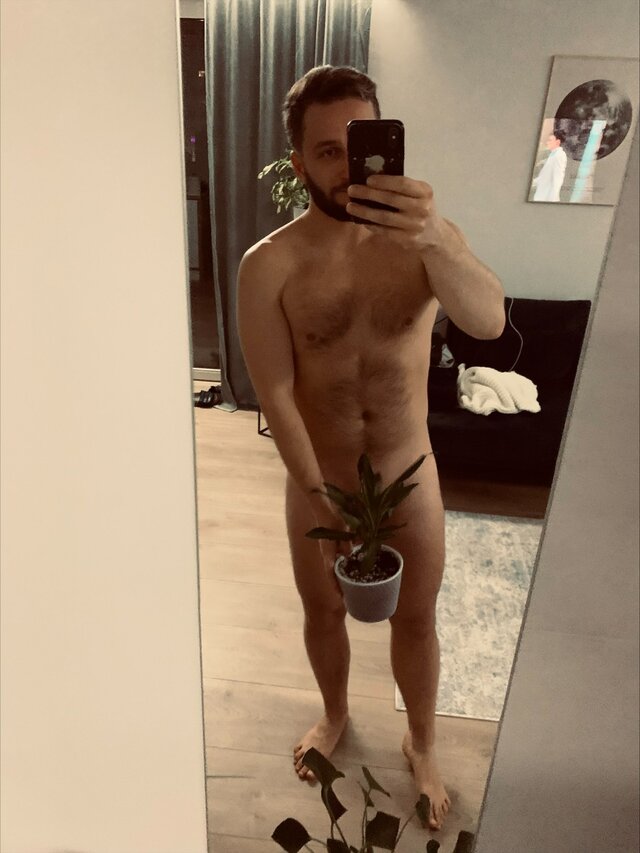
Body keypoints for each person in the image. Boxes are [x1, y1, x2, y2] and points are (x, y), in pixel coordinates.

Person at [237, 65, 505, 832]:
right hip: (316, 476)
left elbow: (488, 321)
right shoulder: (269, 265)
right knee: (322, 609)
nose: (347, 166)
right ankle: (334, 715)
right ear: (299, 164)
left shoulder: (425, 243)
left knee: (415, 619)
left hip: (407, 473)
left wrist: (436, 236)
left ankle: (422, 743)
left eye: (358, 144)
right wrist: (319, 499)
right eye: (327, 151)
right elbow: (275, 394)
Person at [532, 128, 568, 202]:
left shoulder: (559, 155)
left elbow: (558, 179)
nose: (547, 142)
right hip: (541, 196)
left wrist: (552, 200)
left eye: (550, 140)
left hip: (547, 198)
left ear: (557, 142)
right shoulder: (553, 155)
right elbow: (544, 176)